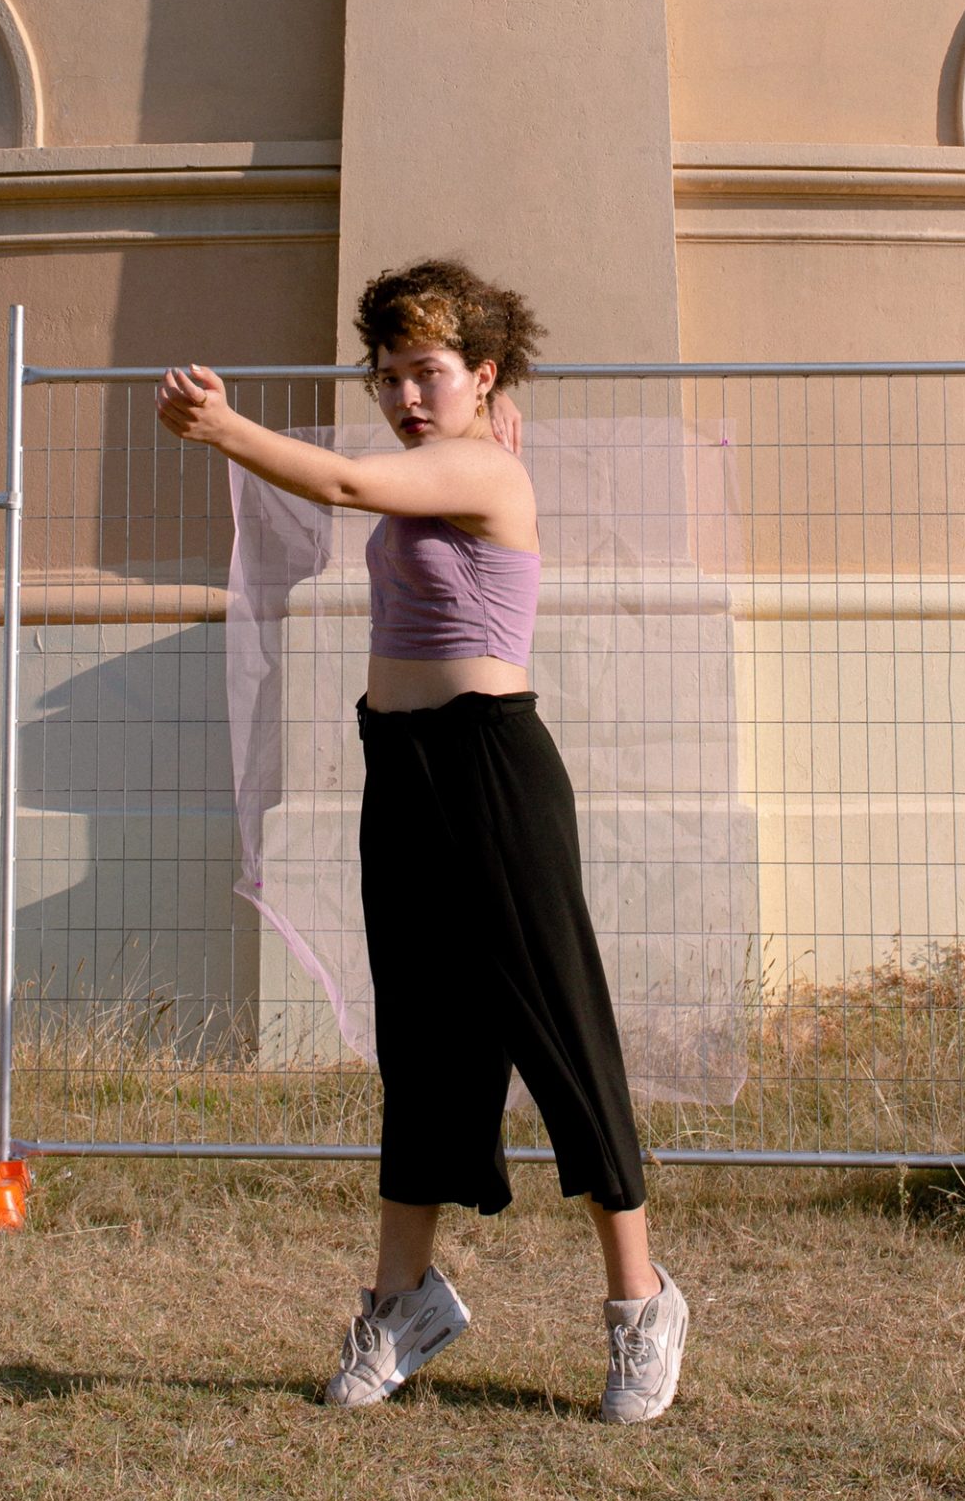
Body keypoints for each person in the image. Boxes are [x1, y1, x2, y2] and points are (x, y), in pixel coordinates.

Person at [155, 257, 688, 1424]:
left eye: (427, 373)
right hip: (402, 770)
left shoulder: (481, 466)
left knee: (560, 1032)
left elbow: (348, 483)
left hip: (494, 768)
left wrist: (223, 425)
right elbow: (383, 473)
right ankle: (404, 1303)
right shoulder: (451, 451)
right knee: (425, 1046)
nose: (403, 395)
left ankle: (641, 1305)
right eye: (389, 374)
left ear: (480, 375)